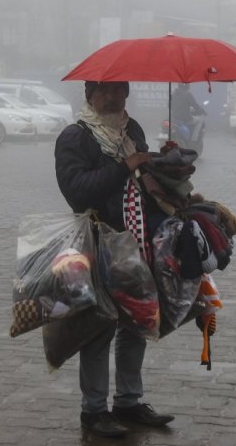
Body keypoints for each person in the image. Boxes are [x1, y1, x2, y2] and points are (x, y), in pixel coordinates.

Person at [54, 80, 173, 437]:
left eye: (119, 90)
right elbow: (76, 191)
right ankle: (93, 411)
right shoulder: (76, 137)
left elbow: (144, 179)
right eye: (104, 90)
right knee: (99, 327)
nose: (113, 97)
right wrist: (125, 165)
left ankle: (128, 401)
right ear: (89, 95)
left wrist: (164, 162)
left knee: (137, 323)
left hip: (135, 241)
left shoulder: (131, 129)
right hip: (96, 241)